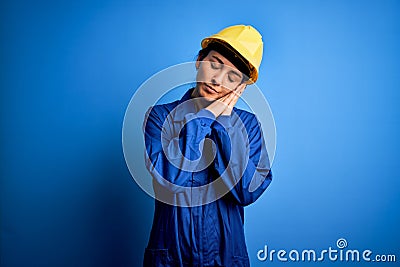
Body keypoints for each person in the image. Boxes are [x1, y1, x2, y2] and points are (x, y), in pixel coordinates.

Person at [142, 25, 273, 267]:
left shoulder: (249, 126)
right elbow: (169, 178)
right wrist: (204, 118)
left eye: (232, 76)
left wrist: (225, 123)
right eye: (214, 64)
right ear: (199, 61)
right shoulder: (160, 117)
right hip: (171, 257)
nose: (217, 80)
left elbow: (246, 191)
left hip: (225, 257)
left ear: (241, 86)